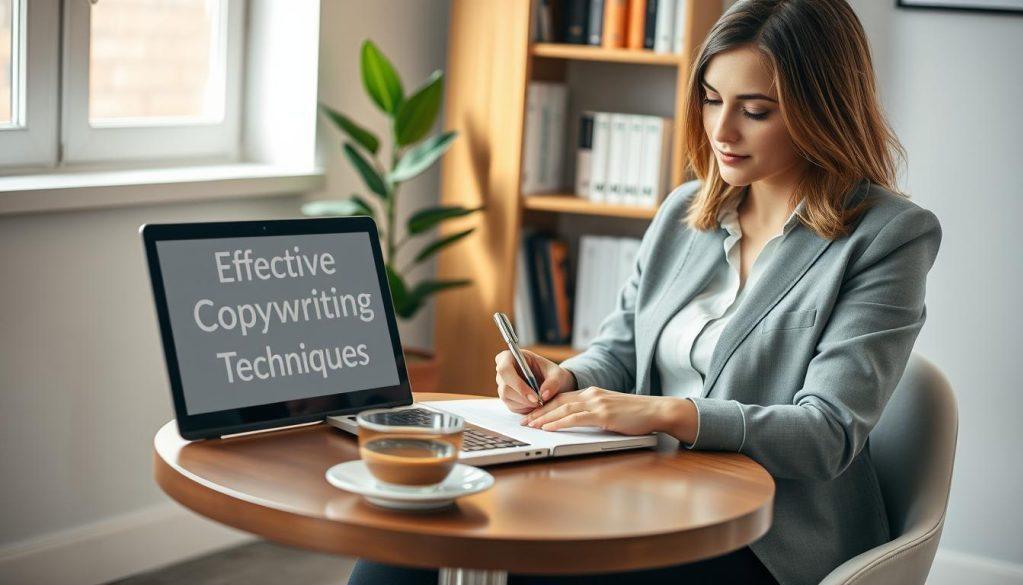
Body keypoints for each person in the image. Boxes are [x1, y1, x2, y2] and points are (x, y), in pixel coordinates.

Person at [348, 1, 941, 584]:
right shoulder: (687, 211)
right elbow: (621, 351)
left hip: (765, 535)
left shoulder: (887, 236)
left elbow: (825, 434)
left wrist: (663, 413)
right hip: (642, 490)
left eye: (756, 111)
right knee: (405, 549)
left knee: (521, 566)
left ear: (823, 110)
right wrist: (567, 379)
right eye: (710, 100)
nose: (721, 131)